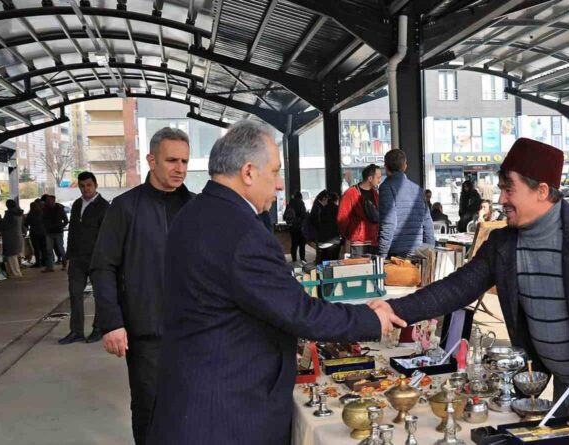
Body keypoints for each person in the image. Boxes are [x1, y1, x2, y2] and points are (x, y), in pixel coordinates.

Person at [372, 138, 569, 440]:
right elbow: (456, 288)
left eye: (509, 188)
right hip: (561, 386)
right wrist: (394, 309)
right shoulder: (504, 245)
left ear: (542, 191)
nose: (501, 199)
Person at [146, 120, 405, 445]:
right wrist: (372, 318)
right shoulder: (243, 233)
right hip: (225, 413)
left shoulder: (192, 213)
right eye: (275, 173)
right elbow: (300, 313)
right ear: (249, 172)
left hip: (189, 396)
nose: (280, 184)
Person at [91, 127, 193, 445]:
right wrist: (112, 322)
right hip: (147, 334)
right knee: (150, 411)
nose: (179, 168)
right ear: (151, 160)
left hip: (195, 332)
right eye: (171, 160)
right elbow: (103, 266)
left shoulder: (197, 207)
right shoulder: (124, 208)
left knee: (194, 410)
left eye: (185, 161)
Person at [59, 171, 110, 345]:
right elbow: (72, 231)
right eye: (82, 186)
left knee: (100, 295)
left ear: (95, 185)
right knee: (74, 293)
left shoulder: (104, 207)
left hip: (97, 259)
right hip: (77, 258)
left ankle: (98, 328)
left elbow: (107, 235)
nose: (85, 189)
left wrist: (105, 258)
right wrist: (67, 255)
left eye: (89, 185)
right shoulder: (76, 205)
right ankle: (76, 331)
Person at [377, 149, 435, 257]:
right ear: (405, 167)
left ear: (385, 167)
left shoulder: (386, 187)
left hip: (396, 255)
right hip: (418, 253)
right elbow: (428, 223)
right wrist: (429, 250)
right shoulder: (418, 189)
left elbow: (389, 222)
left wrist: (382, 255)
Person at [337, 163, 381, 255]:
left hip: (374, 241)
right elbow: (342, 218)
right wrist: (350, 235)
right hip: (358, 243)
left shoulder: (375, 194)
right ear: (370, 178)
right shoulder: (350, 193)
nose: (379, 180)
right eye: (378, 178)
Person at [0, 199, 25, 278]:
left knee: (11, 256)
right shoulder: (19, 213)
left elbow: (5, 225)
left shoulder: (9, 214)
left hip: (10, 237)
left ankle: (16, 273)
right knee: (15, 255)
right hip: (18, 236)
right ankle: (16, 272)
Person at [42, 194, 68, 269]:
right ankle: (50, 267)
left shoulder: (60, 209)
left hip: (58, 232)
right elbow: (43, 219)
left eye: (49, 200)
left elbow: (66, 220)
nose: (48, 201)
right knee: (49, 250)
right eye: (47, 200)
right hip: (49, 232)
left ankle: (64, 265)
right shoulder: (45, 209)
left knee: (60, 248)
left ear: (53, 200)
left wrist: (60, 227)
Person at [314, 191, 341, 262]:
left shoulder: (323, 209)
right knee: (332, 264)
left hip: (321, 241)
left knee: (323, 262)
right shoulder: (338, 209)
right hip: (333, 241)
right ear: (336, 200)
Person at [24, 200, 49, 270]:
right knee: (43, 248)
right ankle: (45, 262)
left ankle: (38, 263)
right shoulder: (42, 212)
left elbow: (26, 224)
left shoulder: (30, 214)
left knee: (36, 249)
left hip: (34, 233)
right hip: (43, 232)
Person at [284, 192, 307, 262]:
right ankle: (302, 258)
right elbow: (304, 215)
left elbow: (285, 216)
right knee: (302, 244)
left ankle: (294, 259)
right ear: (300, 197)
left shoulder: (289, 204)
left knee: (294, 243)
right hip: (300, 227)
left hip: (292, 227)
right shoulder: (301, 203)